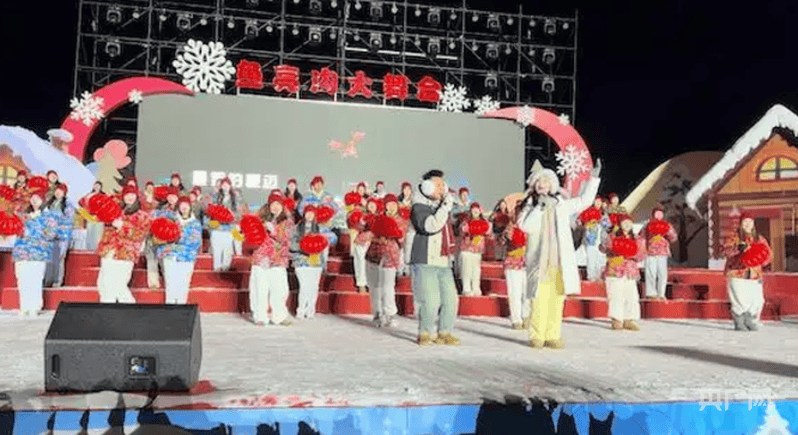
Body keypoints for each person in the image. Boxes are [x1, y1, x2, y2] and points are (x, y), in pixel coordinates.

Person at [517, 159, 602, 349]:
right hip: (540, 261)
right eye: (539, 182)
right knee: (539, 299)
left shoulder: (561, 204)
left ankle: (553, 335)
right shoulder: (529, 205)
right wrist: (539, 208)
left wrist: (593, 180)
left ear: (552, 184)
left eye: (546, 181)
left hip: (559, 261)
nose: (542, 185)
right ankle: (537, 335)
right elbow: (526, 226)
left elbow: (584, 201)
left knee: (556, 299)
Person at [408, 169, 460, 346]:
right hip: (425, 259)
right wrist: (444, 207)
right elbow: (430, 226)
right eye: (437, 185)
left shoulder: (442, 207)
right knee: (430, 300)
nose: (441, 188)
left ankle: (445, 331)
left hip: (443, 260)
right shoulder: (419, 207)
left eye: (442, 185)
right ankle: (425, 332)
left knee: (450, 299)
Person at [96, 186, 152, 303]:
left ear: (137, 196)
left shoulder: (143, 215)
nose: (130, 197)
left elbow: (139, 235)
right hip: (109, 251)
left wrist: (122, 226)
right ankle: (107, 311)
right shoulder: (115, 211)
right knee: (103, 284)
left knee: (119, 286)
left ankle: (130, 311)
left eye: (132, 194)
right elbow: (106, 229)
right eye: (127, 194)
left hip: (126, 253)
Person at [249, 193, 295, 326]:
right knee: (259, 289)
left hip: (278, 260)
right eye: (273, 204)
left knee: (279, 289)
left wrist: (274, 230)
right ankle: (260, 316)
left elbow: (287, 240)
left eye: (278, 204)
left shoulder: (287, 222)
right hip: (261, 259)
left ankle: (279, 316)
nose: (275, 207)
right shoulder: (260, 219)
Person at [12, 190, 59, 316]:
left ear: (43, 199)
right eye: (32, 197)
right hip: (22, 251)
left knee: (35, 279)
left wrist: (36, 223)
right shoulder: (23, 215)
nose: (34, 200)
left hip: (38, 252)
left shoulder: (49, 215)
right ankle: (24, 306)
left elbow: (51, 234)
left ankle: (35, 306)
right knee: (22, 279)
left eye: (37, 197)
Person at [723, 212, 772, 331]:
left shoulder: (759, 239)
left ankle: (751, 319)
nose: (747, 224)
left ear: (753, 224)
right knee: (740, 298)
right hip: (738, 272)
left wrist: (761, 260)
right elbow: (726, 251)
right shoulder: (734, 238)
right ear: (741, 224)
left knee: (757, 299)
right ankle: (739, 320)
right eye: (745, 222)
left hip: (755, 274)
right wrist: (738, 250)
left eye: (750, 222)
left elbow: (768, 254)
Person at [368, 194, 408, 327]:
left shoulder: (401, 221)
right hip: (374, 254)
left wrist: (395, 234)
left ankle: (390, 314)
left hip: (390, 256)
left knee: (388, 285)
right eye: (388, 204)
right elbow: (368, 232)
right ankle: (377, 313)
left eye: (393, 204)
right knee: (375, 286)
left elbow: (403, 240)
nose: (391, 207)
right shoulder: (377, 219)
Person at [599, 214, 645, 331]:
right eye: (624, 222)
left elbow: (642, 254)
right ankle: (617, 319)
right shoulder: (612, 236)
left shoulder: (637, 238)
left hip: (630, 270)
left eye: (629, 222)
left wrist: (629, 253)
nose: (627, 225)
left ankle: (629, 319)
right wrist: (611, 245)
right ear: (619, 224)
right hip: (615, 268)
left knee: (631, 295)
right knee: (615, 294)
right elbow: (603, 248)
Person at [156, 196, 202, 304]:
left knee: (183, 286)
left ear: (190, 206)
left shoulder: (195, 223)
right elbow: (156, 217)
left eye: (186, 205)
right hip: (170, 257)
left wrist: (176, 239)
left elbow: (194, 242)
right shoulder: (171, 219)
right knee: (170, 286)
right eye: (181, 205)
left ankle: (182, 310)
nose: (184, 207)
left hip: (186, 258)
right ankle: (170, 310)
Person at [291, 205, 325, 319]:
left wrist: (323, 263)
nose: (309, 215)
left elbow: (324, 246)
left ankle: (310, 310)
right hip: (301, 261)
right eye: (307, 213)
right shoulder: (297, 228)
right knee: (304, 286)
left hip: (316, 262)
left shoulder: (320, 228)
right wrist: (304, 247)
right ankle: (300, 310)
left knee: (314, 287)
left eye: (312, 213)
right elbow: (291, 244)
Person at [642, 205, 678, 300]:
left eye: (660, 213)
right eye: (657, 213)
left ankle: (661, 293)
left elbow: (673, 237)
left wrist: (666, 233)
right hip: (651, 251)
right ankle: (651, 293)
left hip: (662, 252)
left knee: (662, 273)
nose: (658, 215)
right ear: (653, 214)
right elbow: (642, 236)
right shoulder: (648, 224)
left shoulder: (667, 225)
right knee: (651, 273)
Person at [208, 177, 242, 272]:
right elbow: (210, 210)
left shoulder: (235, 198)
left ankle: (226, 269)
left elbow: (238, 213)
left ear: (230, 186)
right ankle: (217, 269)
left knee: (227, 251)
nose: (225, 187)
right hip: (217, 227)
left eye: (227, 184)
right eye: (223, 185)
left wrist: (231, 215)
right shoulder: (216, 197)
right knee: (217, 251)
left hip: (229, 228)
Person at [43, 183, 74, 288]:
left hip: (61, 236)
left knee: (59, 258)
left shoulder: (68, 205)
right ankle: (47, 280)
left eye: (60, 191)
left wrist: (58, 229)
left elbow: (69, 221)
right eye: (56, 190)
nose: (58, 193)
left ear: (64, 193)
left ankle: (57, 281)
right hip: (49, 235)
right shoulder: (50, 203)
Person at [458, 203, 491, 296]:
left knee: (476, 270)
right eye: (473, 211)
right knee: (466, 269)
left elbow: (488, 233)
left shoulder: (485, 223)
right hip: (467, 249)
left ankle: (476, 288)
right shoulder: (466, 222)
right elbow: (462, 231)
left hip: (477, 249)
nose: (475, 213)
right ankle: (466, 288)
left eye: (477, 211)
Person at [504, 221, 529, 329]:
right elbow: (503, 241)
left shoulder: (533, 227)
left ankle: (526, 316)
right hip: (513, 264)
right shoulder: (510, 228)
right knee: (515, 292)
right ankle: (516, 319)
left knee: (528, 293)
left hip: (529, 264)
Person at [353, 197, 381, 293]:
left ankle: (371, 284)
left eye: (373, 205)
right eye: (370, 204)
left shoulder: (380, 217)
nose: (371, 207)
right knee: (361, 263)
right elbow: (359, 227)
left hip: (375, 242)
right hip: (363, 241)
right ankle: (361, 284)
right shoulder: (363, 216)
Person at [577, 196, 607, 282]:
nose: (598, 203)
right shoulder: (588, 210)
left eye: (599, 202)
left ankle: (599, 275)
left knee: (600, 256)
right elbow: (581, 221)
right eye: (596, 201)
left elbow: (607, 226)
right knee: (591, 254)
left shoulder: (603, 213)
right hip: (591, 237)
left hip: (600, 238)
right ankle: (591, 275)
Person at [82, 181, 105, 251]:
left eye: (98, 185)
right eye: (95, 185)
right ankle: (89, 249)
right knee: (90, 233)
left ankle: (97, 249)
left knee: (98, 234)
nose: (97, 187)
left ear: (101, 187)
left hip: (100, 218)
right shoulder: (89, 195)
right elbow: (84, 205)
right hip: (90, 217)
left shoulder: (104, 195)